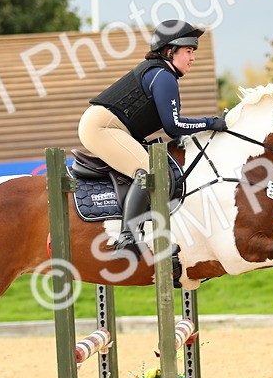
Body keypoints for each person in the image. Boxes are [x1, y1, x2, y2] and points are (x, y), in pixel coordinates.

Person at [80, 19, 227, 251]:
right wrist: (211, 123)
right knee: (149, 171)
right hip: (102, 127)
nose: (193, 58)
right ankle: (127, 238)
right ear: (170, 51)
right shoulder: (163, 76)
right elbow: (174, 126)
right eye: (188, 51)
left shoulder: (162, 74)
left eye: (193, 52)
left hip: (109, 125)